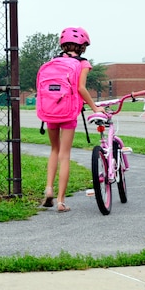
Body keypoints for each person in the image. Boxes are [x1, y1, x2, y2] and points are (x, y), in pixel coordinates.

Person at [42, 26, 105, 212]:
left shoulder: (53, 62)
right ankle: (60, 201)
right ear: (82, 46)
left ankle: (48, 189)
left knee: (54, 150)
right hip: (68, 114)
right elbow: (81, 88)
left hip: (50, 111)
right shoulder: (83, 64)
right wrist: (95, 107)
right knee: (65, 155)